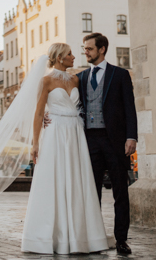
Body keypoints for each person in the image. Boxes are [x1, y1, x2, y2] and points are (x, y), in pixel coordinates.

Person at [21, 43, 110, 254]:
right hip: (56, 133)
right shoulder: (46, 81)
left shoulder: (76, 79)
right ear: (60, 58)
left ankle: (81, 237)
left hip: (76, 133)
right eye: (69, 53)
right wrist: (35, 143)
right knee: (56, 180)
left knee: (78, 180)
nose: (73, 56)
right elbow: (39, 113)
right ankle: (53, 238)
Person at [76, 32, 138, 256]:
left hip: (116, 142)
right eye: (85, 49)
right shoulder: (80, 77)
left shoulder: (120, 75)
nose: (86, 52)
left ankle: (121, 240)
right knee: (92, 193)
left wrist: (132, 137)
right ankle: (94, 238)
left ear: (102, 49)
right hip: (89, 140)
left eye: (89, 49)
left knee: (120, 191)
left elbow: (130, 107)